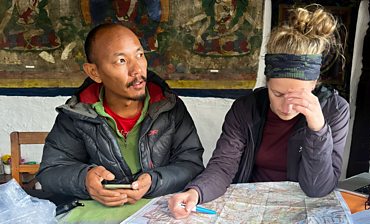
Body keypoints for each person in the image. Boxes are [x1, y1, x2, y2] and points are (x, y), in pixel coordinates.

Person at [169, 5, 350, 219]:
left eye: (298, 97)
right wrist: (195, 192)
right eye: (278, 94)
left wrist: (318, 129)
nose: (287, 107)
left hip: (303, 210)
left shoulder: (334, 110)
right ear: (267, 83)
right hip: (251, 209)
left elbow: (317, 189)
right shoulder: (246, 109)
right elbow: (223, 166)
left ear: (314, 84)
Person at [36, 23, 204, 207]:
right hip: (98, 214)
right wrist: (84, 179)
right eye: (121, 61)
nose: (137, 70)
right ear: (94, 72)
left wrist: (154, 181)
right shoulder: (78, 113)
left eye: (140, 55)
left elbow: (191, 164)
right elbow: (50, 172)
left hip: (158, 211)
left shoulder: (168, 107)